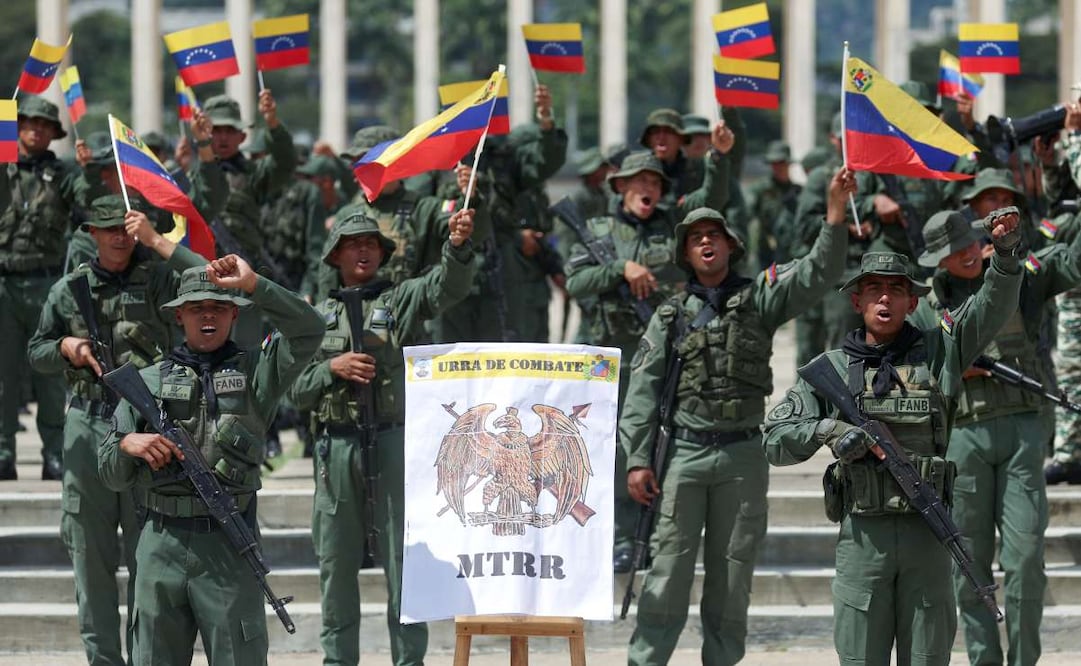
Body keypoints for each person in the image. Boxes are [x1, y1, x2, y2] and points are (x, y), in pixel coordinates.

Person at [762, 207, 1024, 665]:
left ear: (912, 302)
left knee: (927, 656)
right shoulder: (833, 370)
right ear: (856, 301)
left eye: (897, 290)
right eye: (874, 290)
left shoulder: (941, 351)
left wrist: (1004, 254)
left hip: (929, 534)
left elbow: (991, 306)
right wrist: (827, 430)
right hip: (864, 538)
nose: (885, 299)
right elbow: (775, 439)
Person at [620, 167, 855, 666]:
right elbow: (641, 393)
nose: (706, 242)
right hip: (683, 455)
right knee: (667, 573)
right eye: (696, 238)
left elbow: (818, 273)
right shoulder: (670, 315)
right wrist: (637, 460)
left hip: (743, 455)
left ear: (731, 245)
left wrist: (835, 214)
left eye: (714, 235)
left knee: (732, 576)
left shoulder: (760, 299)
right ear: (686, 253)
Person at [98, 255, 325, 666]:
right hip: (160, 541)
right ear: (179, 315)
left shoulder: (258, 374)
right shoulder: (146, 382)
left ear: (234, 314)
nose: (208, 315)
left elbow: (310, 328)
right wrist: (128, 444)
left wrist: (254, 284)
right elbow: (110, 474)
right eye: (197, 308)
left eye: (218, 307)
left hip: (228, 544)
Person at [288, 206, 477, 666]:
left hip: (393, 443)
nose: (364, 250)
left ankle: (409, 660)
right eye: (354, 244)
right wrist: (332, 368)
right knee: (336, 564)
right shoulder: (313, 316)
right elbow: (292, 390)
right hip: (336, 447)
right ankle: (338, 660)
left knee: (403, 562)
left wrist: (456, 247)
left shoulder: (401, 299)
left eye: (371, 243)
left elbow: (447, 287)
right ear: (335, 255)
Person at [27, 195, 207, 666]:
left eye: (125, 229)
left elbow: (207, 277)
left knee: (149, 556)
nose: (118, 238)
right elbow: (36, 351)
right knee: (90, 554)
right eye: (108, 229)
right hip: (88, 424)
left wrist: (157, 240)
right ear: (91, 233)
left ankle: (146, 657)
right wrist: (64, 347)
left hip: (145, 424)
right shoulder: (69, 289)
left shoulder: (160, 279)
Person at [916, 208, 1081, 664]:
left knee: (1025, 558)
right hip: (961, 436)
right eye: (955, 251)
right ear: (938, 260)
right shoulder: (925, 306)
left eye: (970, 243)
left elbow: (1072, 262)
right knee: (968, 566)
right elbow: (905, 368)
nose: (968, 254)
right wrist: (950, 367)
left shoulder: (1019, 277)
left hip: (1022, 428)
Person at [564, 142, 731, 574]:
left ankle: (656, 536)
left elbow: (712, 203)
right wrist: (619, 269)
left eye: (655, 182)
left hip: (663, 354)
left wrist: (718, 159)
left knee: (664, 445)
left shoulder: (674, 231)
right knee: (617, 450)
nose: (648, 188)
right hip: (607, 361)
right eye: (640, 181)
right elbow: (575, 282)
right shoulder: (597, 230)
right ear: (620, 186)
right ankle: (622, 538)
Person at [0, 96, 82, 480]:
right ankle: (3, 452)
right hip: (4, 282)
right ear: (17, 127)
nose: (36, 129)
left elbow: (87, 205)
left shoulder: (63, 174)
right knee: (4, 375)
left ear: (53, 133)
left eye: (44, 124)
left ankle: (53, 453)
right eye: (29, 122)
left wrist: (87, 171)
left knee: (49, 373)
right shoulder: (2, 168)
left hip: (46, 282)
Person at [746, 140, 801, 269]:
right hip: (766, 253)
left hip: (792, 253)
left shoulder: (798, 192)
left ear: (788, 163)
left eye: (781, 162)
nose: (777, 167)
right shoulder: (760, 190)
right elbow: (747, 213)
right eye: (773, 163)